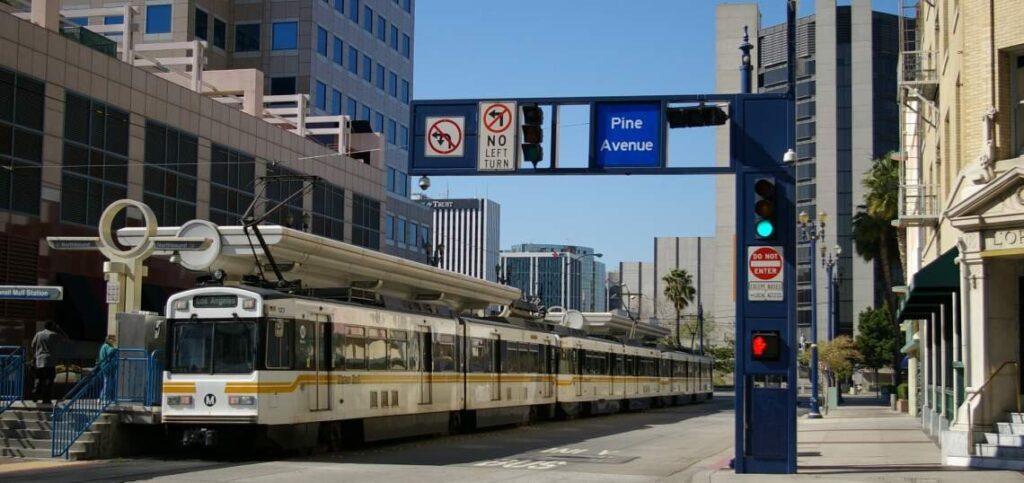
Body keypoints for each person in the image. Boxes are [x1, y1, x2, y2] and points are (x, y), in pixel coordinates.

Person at [31, 320, 64, 405]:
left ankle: (35, 394)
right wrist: (59, 329)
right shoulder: (54, 335)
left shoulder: (38, 334)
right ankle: (46, 399)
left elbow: (33, 346)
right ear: (52, 327)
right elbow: (66, 339)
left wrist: (35, 356)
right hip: (49, 360)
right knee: (49, 380)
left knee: (39, 378)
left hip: (39, 360)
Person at [98, 335, 117, 400]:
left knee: (107, 382)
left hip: (105, 366)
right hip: (106, 366)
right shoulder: (107, 346)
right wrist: (116, 349)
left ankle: (102, 397)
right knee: (107, 382)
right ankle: (105, 398)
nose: (114, 341)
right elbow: (110, 352)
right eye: (113, 340)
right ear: (109, 340)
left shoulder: (104, 346)